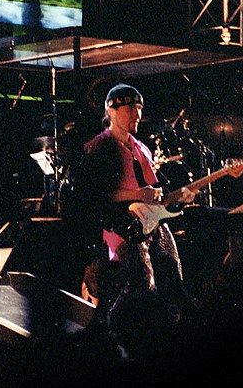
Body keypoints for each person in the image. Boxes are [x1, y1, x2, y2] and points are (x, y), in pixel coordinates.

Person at [74, 83, 196, 316]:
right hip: (120, 225)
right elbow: (95, 193)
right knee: (142, 283)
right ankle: (112, 325)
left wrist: (179, 197)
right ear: (111, 111)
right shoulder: (99, 147)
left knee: (173, 277)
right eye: (131, 108)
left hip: (151, 223)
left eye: (139, 108)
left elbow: (156, 194)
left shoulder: (142, 149)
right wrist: (137, 195)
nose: (137, 114)